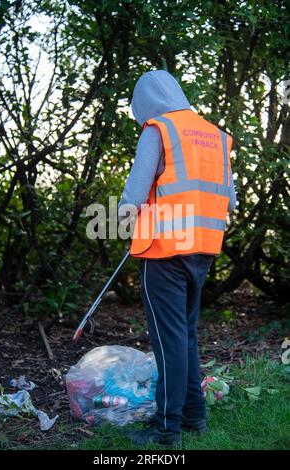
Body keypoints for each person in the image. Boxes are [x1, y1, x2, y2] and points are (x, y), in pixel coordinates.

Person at [118, 70, 236, 447]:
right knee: (184, 337)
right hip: (203, 249)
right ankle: (194, 416)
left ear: (145, 102)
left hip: (164, 251)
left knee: (169, 341)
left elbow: (134, 196)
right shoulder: (216, 136)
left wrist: (125, 218)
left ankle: (166, 429)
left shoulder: (159, 130)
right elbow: (229, 200)